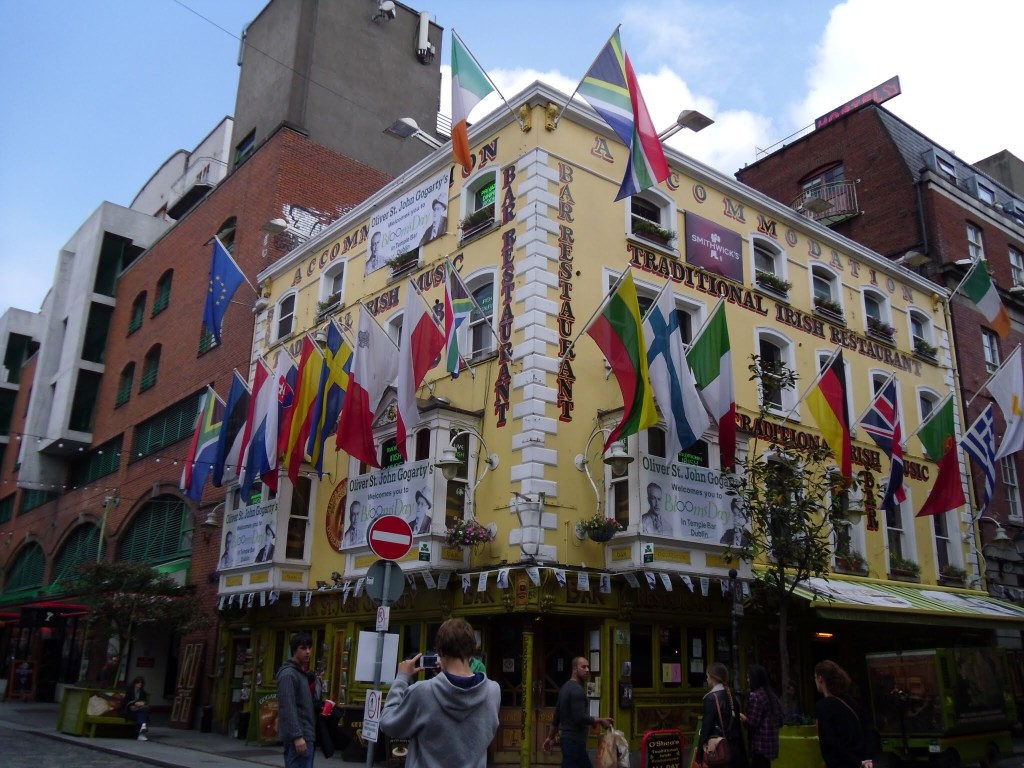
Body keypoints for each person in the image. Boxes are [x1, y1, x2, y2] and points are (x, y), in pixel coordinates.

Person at [379, 618, 499, 767]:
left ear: (440, 651)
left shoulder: (422, 692)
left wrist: (401, 678)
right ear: (472, 650)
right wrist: (445, 678)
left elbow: (388, 724)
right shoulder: (493, 691)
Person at [542, 656, 614, 767]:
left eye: (588, 667)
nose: (587, 670)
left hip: (569, 742)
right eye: (583, 667)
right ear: (575, 669)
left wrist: (550, 737)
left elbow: (556, 718)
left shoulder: (564, 688)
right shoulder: (577, 691)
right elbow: (579, 718)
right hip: (574, 742)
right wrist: (600, 720)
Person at [813, 660, 873, 768]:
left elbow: (830, 741)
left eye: (815, 678)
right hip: (861, 761)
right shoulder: (851, 701)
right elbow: (867, 730)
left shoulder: (823, 706)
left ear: (820, 679)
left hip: (841, 763)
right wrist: (866, 760)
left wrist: (856, 762)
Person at [697, 662, 747, 768]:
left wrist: (699, 754)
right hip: (735, 751)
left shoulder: (711, 698)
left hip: (720, 750)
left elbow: (706, 727)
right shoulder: (731, 696)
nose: (706, 679)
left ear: (712, 677)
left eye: (707, 676)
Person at [277, 632, 316, 768]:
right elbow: (287, 707)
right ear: (294, 650)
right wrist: (297, 736)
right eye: (303, 648)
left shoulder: (301, 674)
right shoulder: (289, 674)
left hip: (307, 735)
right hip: (299, 738)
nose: (308, 652)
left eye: (309, 648)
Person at [741, 665, 782, 767]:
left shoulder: (755, 696)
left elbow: (752, 723)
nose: (747, 680)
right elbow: (780, 720)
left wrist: (743, 718)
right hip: (771, 745)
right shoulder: (772, 695)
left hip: (759, 745)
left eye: (749, 677)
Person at [123, 675, 151, 741]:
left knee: (143, 712)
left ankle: (138, 734)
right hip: (131, 710)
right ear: (135, 683)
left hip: (139, 709)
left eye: (141, 683)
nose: (140, 684)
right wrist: (134, 703)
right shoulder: (130, 691)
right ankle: (141, 732)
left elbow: (145, 701)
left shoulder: (143, 692)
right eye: (138, 683)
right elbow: (126, 701)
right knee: (144, 714)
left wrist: (142, 703)